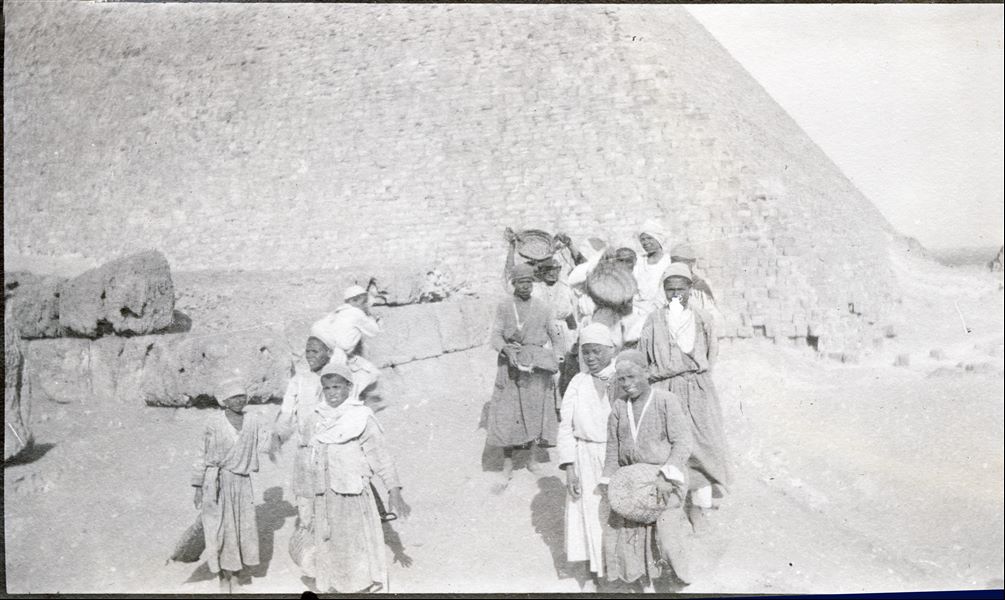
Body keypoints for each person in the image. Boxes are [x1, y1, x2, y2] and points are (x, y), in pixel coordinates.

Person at [638, 263, 731, 531]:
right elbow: (644, 358)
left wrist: (695, 378)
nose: (676, 295)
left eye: (681, 289)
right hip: (664, 390)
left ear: (690, 289)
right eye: (670, 290)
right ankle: (671, 506)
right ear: (664, 291)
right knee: (668, 448)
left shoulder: (702, 318)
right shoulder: (653, 320)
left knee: (702, 448)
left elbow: (711, 354)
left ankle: (698, 509)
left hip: (697, 389)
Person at [306, 361, 411, 594]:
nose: (333, 393)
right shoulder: (317, 417)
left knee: (355, 545)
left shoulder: (361, 416)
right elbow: (308, 455)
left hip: (352, 493)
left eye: (337, 387)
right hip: (326, 495)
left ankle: (360, 588)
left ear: (349, 387)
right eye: (328, 388)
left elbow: (380, 455)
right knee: (330, 543)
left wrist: (394, 489)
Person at [600, 350, 693, 591]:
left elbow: (682, 441)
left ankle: (675, 584)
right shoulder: (620, 407)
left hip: (664, 480)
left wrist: (667, 475)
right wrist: (608, 482)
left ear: (647, 372)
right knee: (624, 534)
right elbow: (613, 448)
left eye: (632, 377)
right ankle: (641, 584)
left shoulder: (665, 401)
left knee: (666, 534)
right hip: (632, 482)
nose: (627, 384)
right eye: (621, 380)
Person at [191, 377, 276, 592]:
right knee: (219, 530)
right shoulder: (213, 422)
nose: (239, 400)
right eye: (233, 397)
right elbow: (201, 454)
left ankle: (236, 577)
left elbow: (268, 442)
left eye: (242, 396)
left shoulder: (254, 421)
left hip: (242, 483)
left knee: (241, 530)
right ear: (224, 400)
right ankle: (222, 576)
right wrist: (198, 487)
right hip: (216, 481)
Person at [487, 263, 561, 485]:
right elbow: (496, 335)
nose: (526, 286)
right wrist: (506, 349)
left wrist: (555, 359)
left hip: (535, 368)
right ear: (513, 284)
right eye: (521, 282)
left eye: (529, 282)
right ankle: (507, 463)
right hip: (509, 366)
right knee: (507, 413)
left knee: (533, 412)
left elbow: (555, 336)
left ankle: (531, 459)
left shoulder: (543, 308)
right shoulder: (504, 307)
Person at [557, 323, 618, 583]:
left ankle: (620, 568)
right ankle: (597, 569)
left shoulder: (622, 378)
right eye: (586, 353)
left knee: (616, 512)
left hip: (614, 456)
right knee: (590, 513)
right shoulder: (577, 382)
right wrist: (570, 468)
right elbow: (566, 427)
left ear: (611, 350)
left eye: (597, 352)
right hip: (584, 456)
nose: (591, 358)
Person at [275, 335, 331, 528]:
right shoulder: (299, 380)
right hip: (306, 449)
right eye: (307, 351)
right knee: (305, 494)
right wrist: (278, 436)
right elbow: (287, 413)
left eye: (315, 351)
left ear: (328, 353)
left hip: (331, 448)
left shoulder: (338, 378)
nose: (309, 355)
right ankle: (308, 533)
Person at [310, 285, 383, 403]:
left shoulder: (338, 312)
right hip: (339, 355)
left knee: (369, 373)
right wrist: (373, 317)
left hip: (331, 353)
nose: (365, 303)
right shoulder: (356, 313)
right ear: (355, 300)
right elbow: (374, 332)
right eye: (363, 300)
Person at [534, 256, 579, 396]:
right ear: (541, 272)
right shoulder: (535, 288)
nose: (552, 273)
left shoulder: (566, 288)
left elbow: (572, 313)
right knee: (546, 365)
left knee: (565, 365)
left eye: (555, 270)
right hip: (543, 330)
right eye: (548, 270)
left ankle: (562, 399)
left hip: (563, 329)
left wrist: (575, 335)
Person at [626, 219, 674, 345]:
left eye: (649, 238)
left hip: (661, 308)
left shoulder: (668, 261)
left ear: (658, 238)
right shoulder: (639, 262)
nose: (645, 243)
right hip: (637, 310)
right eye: (642, 240)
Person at [669, 243, 723, 325]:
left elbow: (713, 313)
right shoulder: (666, 282)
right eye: (674, 262)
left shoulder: (700, 285)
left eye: (681, 262)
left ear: (692, 263)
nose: (677, 266)